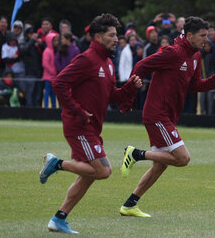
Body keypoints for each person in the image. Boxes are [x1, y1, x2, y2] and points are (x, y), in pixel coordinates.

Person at [39, 13, 142, 234]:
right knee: (103, 171)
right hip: (79, 126)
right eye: (112, 35)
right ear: (97, 37)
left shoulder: (108, 63)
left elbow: (111, 97)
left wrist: (131, 89)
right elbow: (58, 83)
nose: (116, 39)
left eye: (117, 35)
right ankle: (56, 164)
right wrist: (77, 110)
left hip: (92, 127)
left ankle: (59, 218)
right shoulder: (86, 59)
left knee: (90, 174)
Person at [118, 16, 215, 217]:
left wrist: (213, 81)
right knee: (183, 158)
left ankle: (130, 204)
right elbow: (141, 66)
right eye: (202, 35)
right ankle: (136, 154)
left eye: (207, 35)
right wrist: (130, 91)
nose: (206, 39)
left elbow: (193, 85)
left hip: (168, 115)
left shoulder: (195, 56)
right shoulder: (172, 52)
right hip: (157, 114)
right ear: (190, 35)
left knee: (161, 165)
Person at [19, 26, 44, 107]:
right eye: (30, 34)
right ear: (26, 34)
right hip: (29, 72)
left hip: (39, 72)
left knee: (37, 94)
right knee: (29, 93)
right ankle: (29, 110)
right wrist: (31, 40)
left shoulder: (37, 43)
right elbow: (23, 50)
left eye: (33, 33)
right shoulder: (23, 42)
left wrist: (41, 44)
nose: (32, 35)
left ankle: (36, 111)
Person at [42, 32, 59, 108]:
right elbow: (45, 64)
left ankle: (54, 107)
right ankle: (45, 108)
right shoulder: (47, 51)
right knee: (47, 93)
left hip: (54, 77)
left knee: (53, 94)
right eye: (54, 41)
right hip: (48, 78)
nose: (56, 42)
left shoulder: (55, 51)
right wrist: (53, 72)